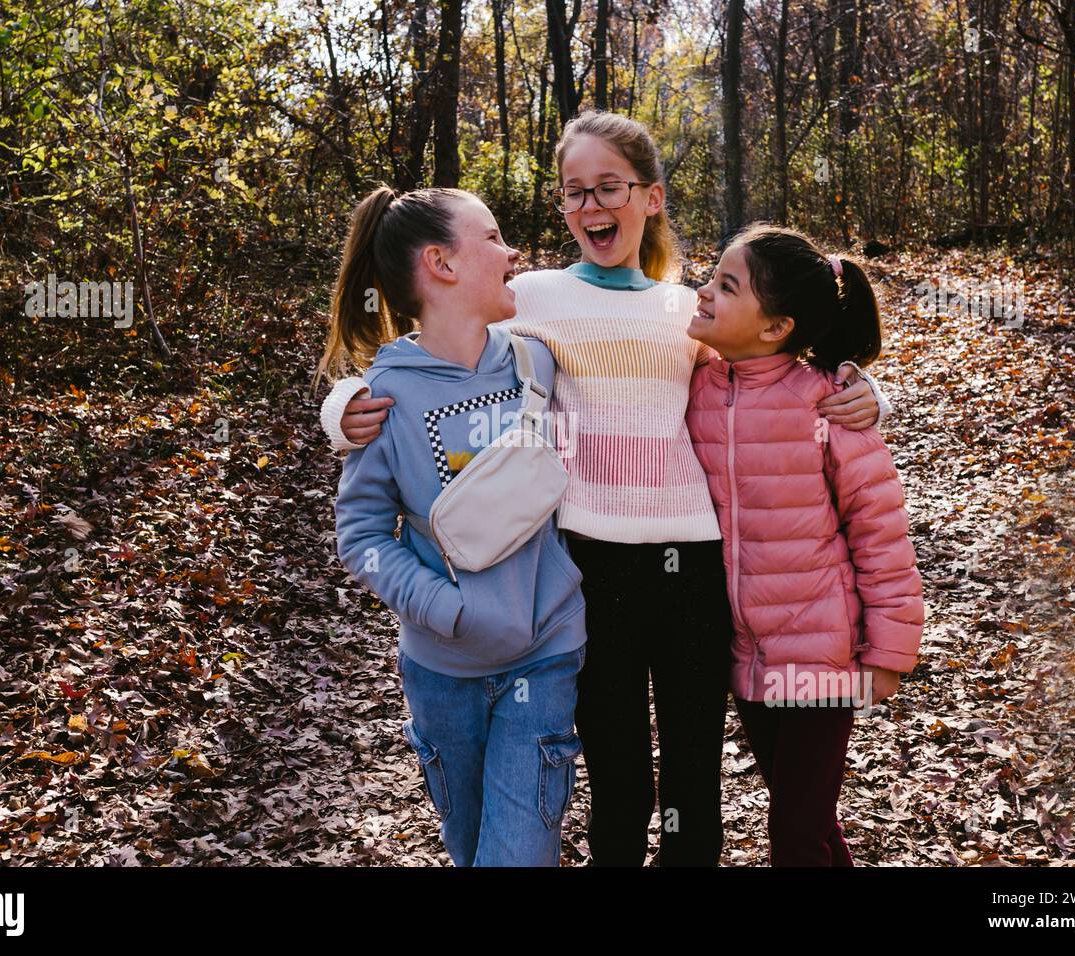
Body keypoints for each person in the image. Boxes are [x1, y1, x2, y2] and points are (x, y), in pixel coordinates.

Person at [318, 111, 889, 866]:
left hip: (693, 566)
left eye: (609, 187)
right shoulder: (535, 300)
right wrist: (341, 407)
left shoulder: (692, 309)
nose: (591, 207)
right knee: (618, 778)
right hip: (589, 568)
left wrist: (872, 393)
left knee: (693, 778)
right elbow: (438, 351)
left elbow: (776, 370)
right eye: (573, 192)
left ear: (650, 198)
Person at [327, 184, 586, 866]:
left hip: (546, 651)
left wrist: (859, 386)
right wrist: (448, 610)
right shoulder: (384, 398)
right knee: (471, 850)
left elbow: (661, 350)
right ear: (441, 264)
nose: (513, 251)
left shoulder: (537, 361)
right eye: (494, 237)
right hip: (443, 672)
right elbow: (361, 536)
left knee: (520, 856)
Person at [684, 223, 924, 866]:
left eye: (725, 285)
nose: (703, 291)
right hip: (746, 651)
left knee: (793, 834)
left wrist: (891, 652)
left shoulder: (828, 403)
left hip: (821, 652)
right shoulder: (694, 382)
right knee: (809, 826)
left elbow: (880, 530)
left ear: (774, 327)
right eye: (711, 275)